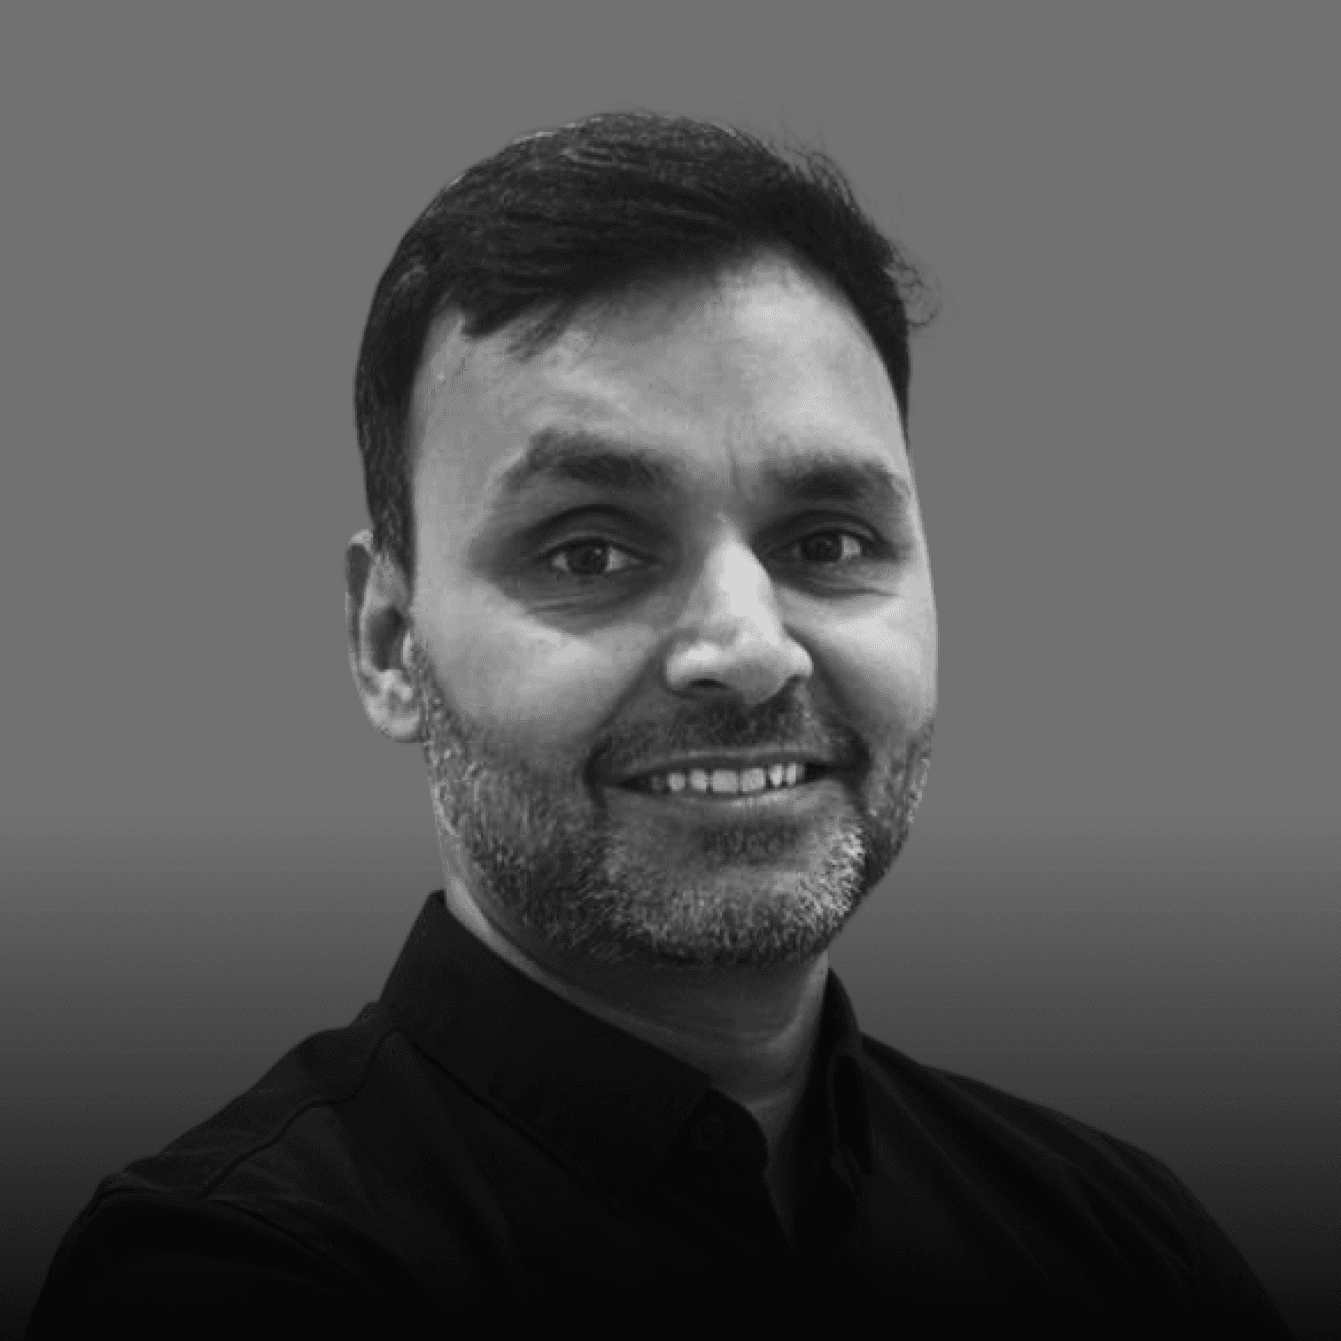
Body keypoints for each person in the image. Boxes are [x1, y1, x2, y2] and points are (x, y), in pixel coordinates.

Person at [27, 111, 1292, 1338]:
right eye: (588, 552)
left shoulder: (1124, 1246)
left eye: (829, 542)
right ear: (389, 642)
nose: (747, 649)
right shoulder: (231, 1277)